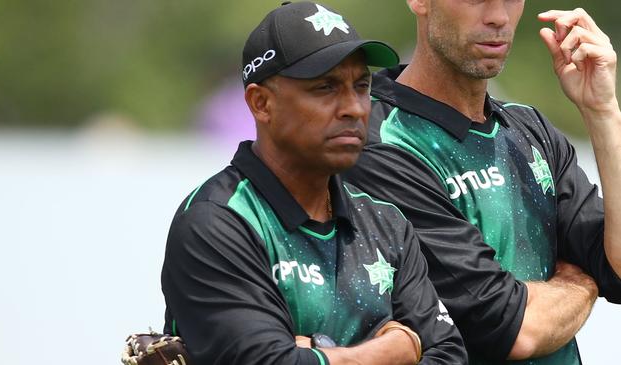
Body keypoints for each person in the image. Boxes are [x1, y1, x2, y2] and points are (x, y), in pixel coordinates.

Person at [161, 2, 467, 364]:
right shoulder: (218, 222)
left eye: (362, 85)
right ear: (261, 103)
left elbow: (449, 355)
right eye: (326, 87)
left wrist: (318, 352)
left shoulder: (387, 223)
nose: (354, 107)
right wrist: (391, 351)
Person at [343, 2, 621, 364]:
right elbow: (514, 328)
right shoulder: (380, 143)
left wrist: (602, 111)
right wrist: (582, 283)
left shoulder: (529, 127)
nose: (499, 17)